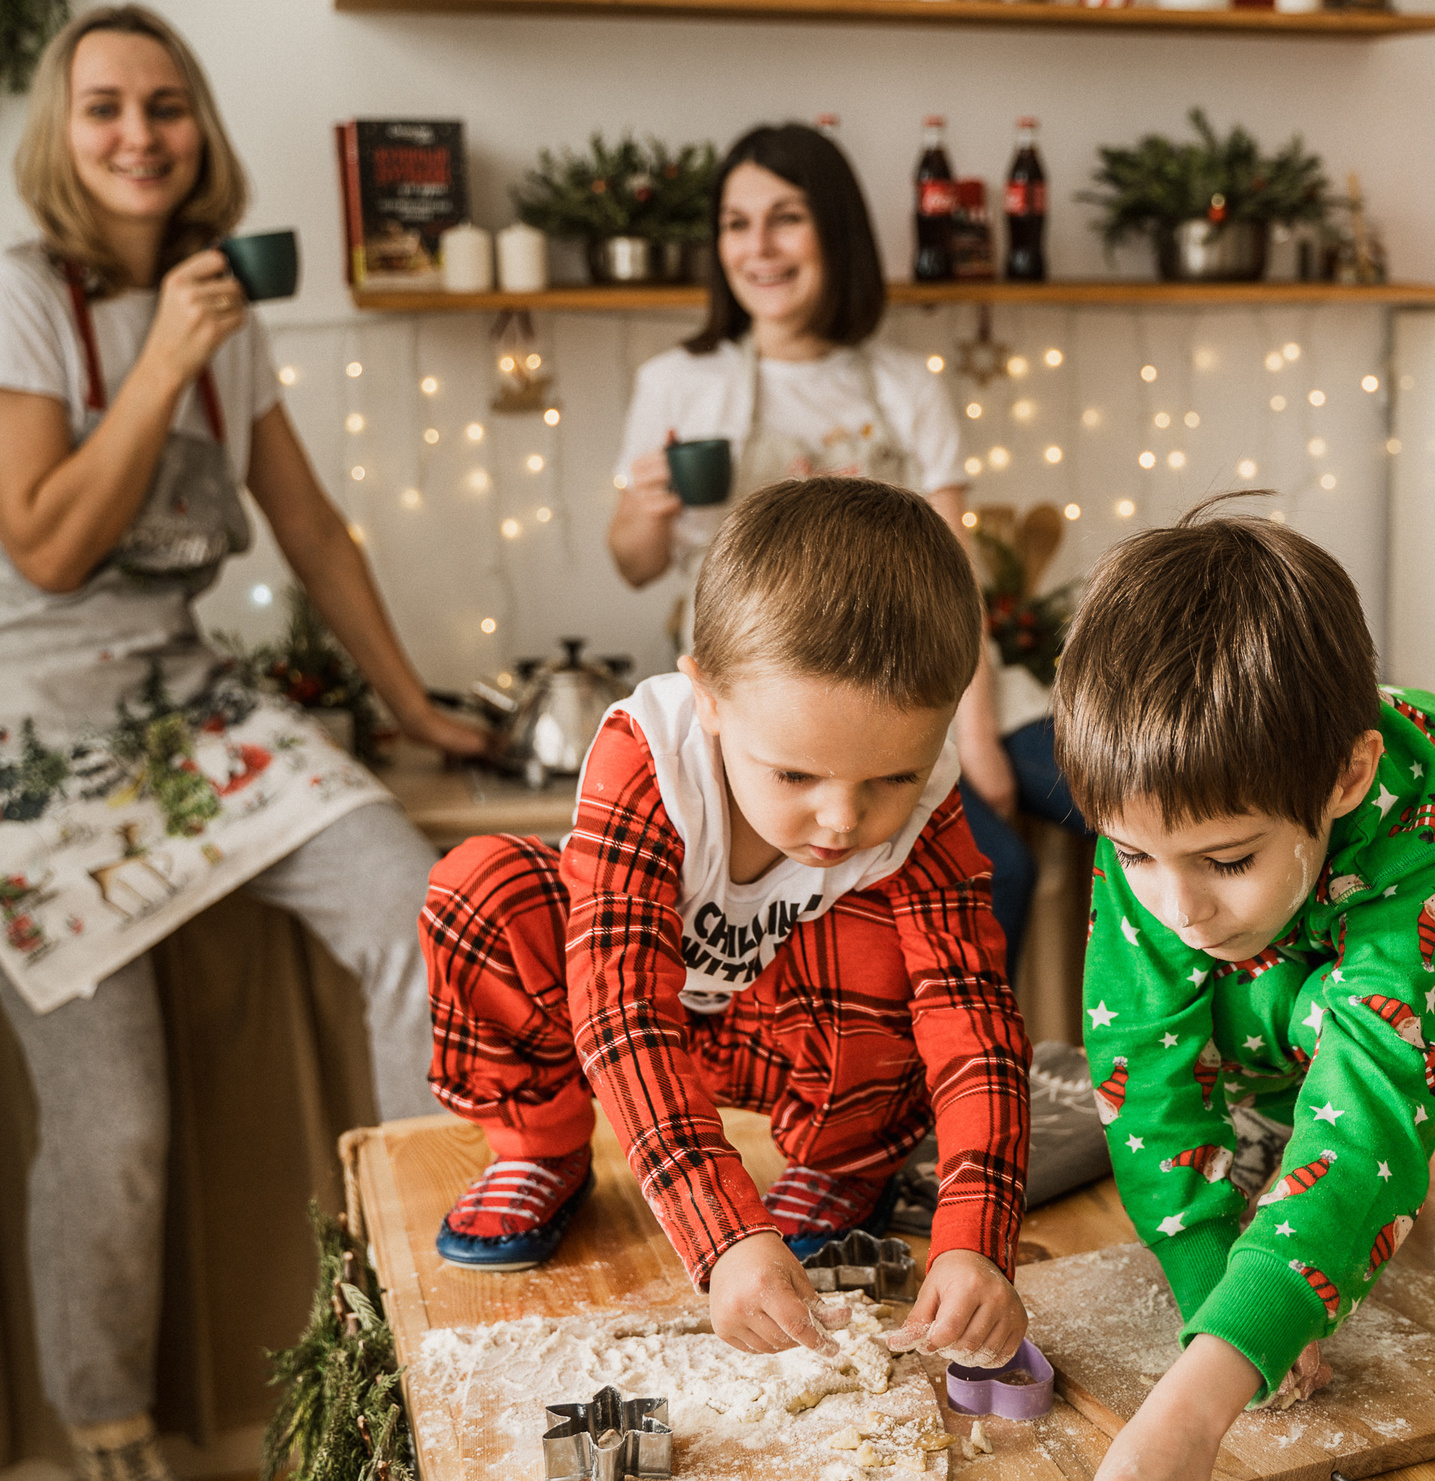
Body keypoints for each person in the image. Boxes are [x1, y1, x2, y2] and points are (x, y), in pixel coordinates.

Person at [0, 7, 483, 1481]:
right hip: (13, 721)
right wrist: (164, 354)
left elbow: (312, 527)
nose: (139, 133)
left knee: (423, 916)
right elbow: (42, 542)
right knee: (117, 1123)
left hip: (170, 697)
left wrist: (412, 701)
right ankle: (110, 1453)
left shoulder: (236, 314)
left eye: (167, 105)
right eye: (105, 108)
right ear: (60, 131)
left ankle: (437, 1328)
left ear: (201, 127)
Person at [1041, 502, 1435, 1481]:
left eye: (1225, 859)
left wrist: (1198, 1398)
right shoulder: (1165, 827)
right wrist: (1222, 1294)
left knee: (1335, 1032)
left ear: (1348, 777)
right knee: (1228, 998)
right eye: (1134, 857)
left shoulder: (1422, 839)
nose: (1176, 906)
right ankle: (1272, 1150)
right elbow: (1140, 1072)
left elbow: (1366, 1122)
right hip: (1309, 952)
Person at [423, 479, 1035, 1371]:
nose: (841, 818)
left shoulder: (926, 809)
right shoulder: (648, 757)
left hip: (792, 1040)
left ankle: (843, 1160)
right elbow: (621, 1013)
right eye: (795, 776)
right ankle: (540, 1148)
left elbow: (971, 1025)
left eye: (889, 779)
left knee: (887, 939)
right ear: (706, 695)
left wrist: (975, 1232)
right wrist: (724, 1233)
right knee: (478, 886)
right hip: (645, 1030)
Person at [602, 121, 1069, 972]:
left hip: (913, 669)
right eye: (737, 224)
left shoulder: (903, 385)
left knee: (1103, 793)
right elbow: (633, 563)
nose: (759, 248)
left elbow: (954, 574)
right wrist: (647, 510)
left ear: (837, 232)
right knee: (1000, 862)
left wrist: (978, 737)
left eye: (785, 218)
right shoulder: (678, 382)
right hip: (781, 691)